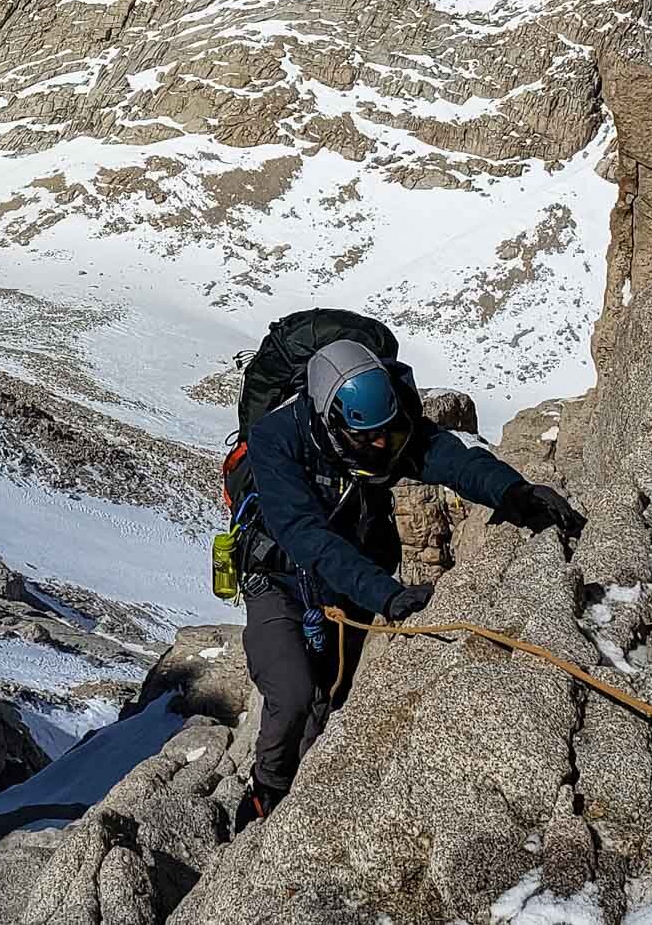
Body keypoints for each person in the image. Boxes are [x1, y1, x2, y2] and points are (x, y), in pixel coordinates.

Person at [236, 338, 584, 819]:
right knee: (293, 695)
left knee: (328, 700)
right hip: (280, 580)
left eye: (386, 432)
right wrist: (386, 594)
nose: (382, 445)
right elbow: (304, 533)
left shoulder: (383, 429)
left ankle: (303, 800)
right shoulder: (276, 440)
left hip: (349, 580)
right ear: (329, 420)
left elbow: (451, 459)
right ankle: (267, 791)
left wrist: (515, 494)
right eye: (368, 437)